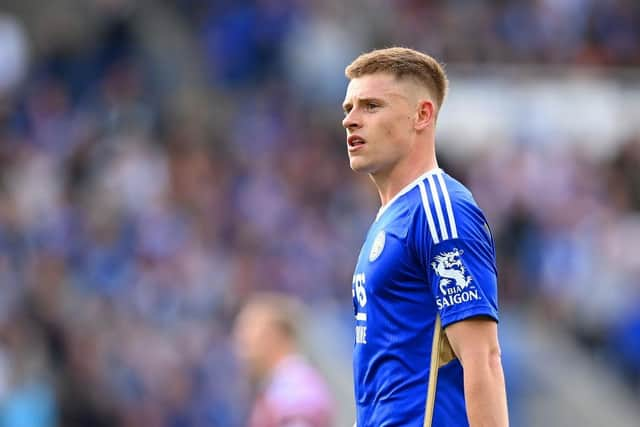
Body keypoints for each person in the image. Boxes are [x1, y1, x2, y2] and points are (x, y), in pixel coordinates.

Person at [341, 47, 509, 426]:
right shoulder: (390, 218)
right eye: (348, 108)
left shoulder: (440, 209)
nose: (350, 121)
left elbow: (484, 358)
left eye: (370, 106)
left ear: (422, 115)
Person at [232, 293, 335, 427]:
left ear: (273, 336)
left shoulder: (296, 388)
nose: (241, 348)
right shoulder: (281, 384)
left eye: (249, 336)